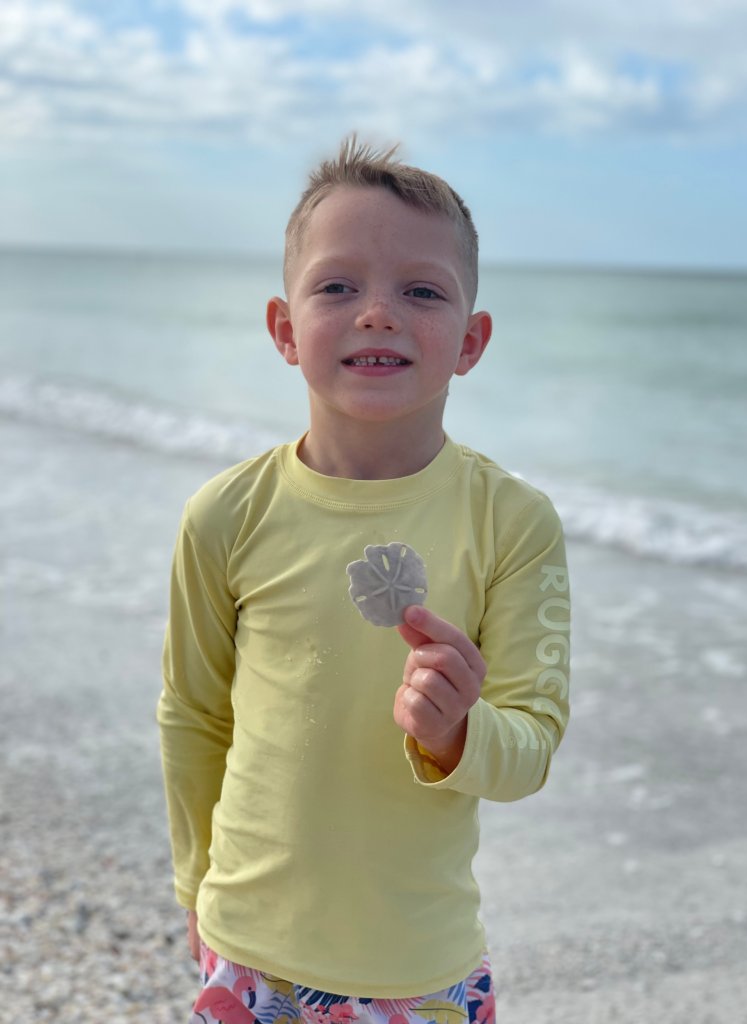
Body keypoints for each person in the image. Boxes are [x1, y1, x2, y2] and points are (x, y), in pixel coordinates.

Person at [158, 137, 571, 1024]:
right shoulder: (225, 515)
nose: (377, 313)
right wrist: (195, 886)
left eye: (421, 290)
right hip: (248, 954)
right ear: (283, 328)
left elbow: (532, 743)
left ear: (471, 340)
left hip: (419, 966)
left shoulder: (513, 522)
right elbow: (194, 713)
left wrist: (460, 733)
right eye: (338, 286)